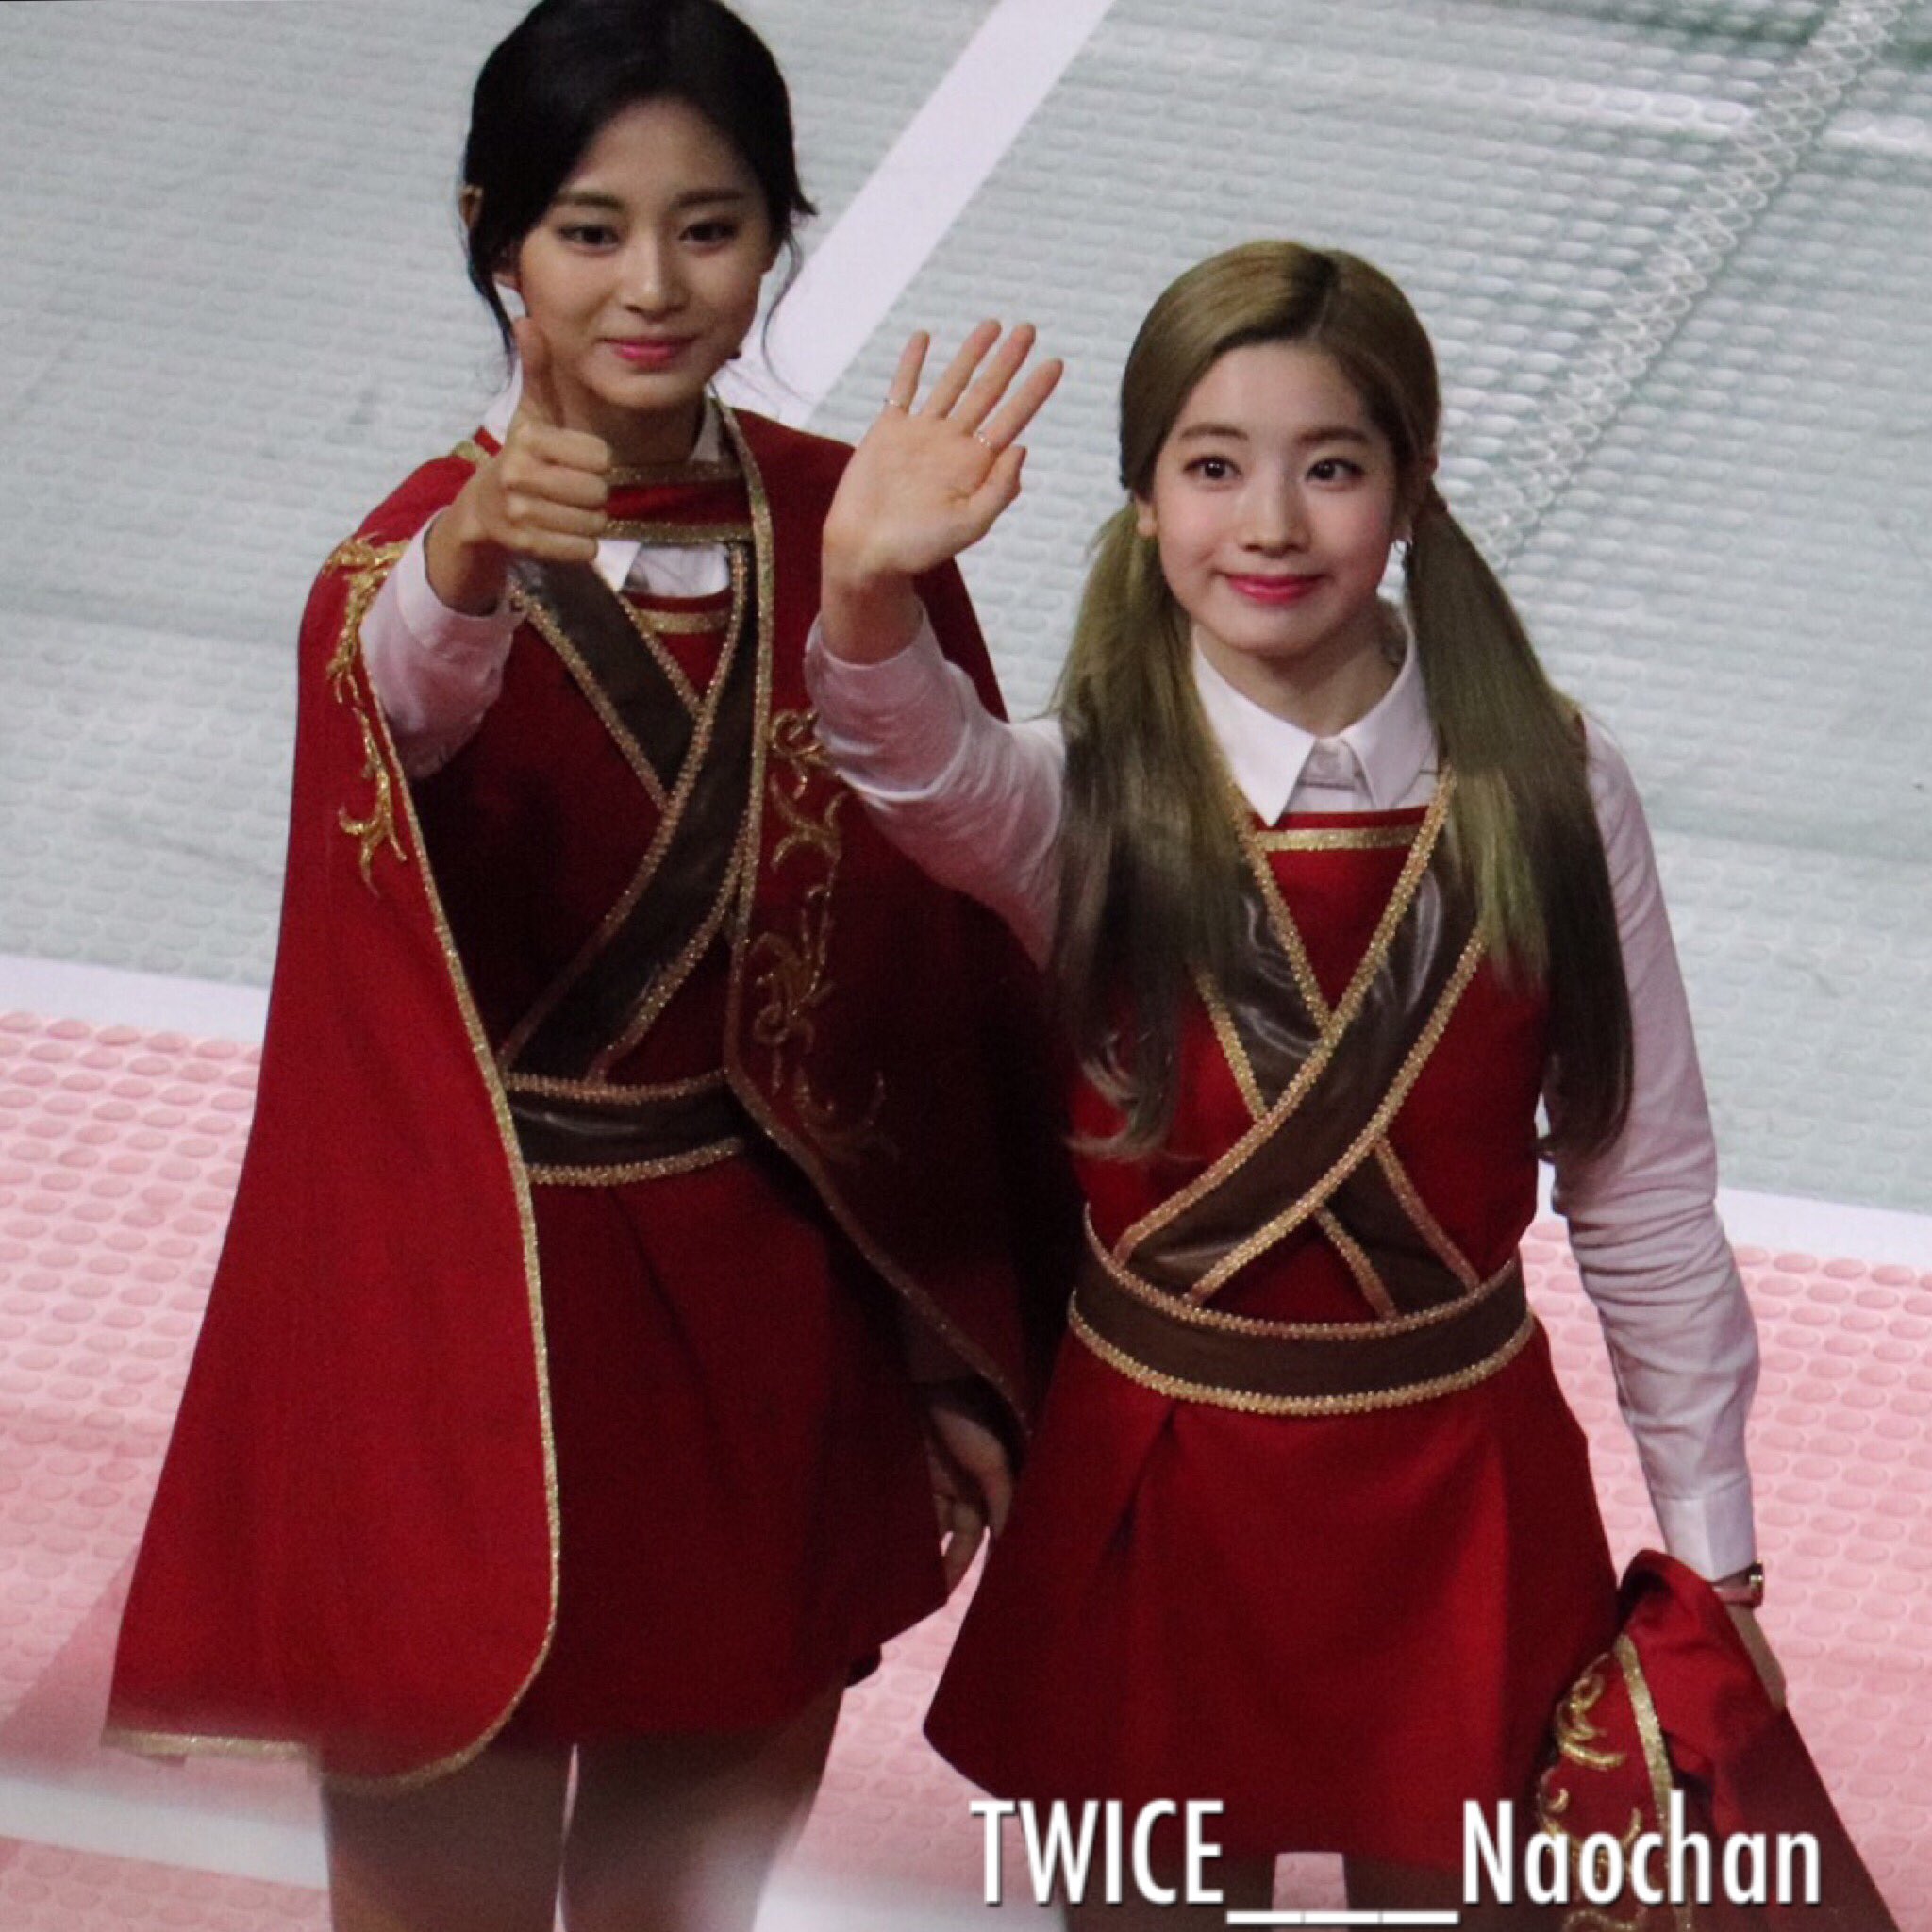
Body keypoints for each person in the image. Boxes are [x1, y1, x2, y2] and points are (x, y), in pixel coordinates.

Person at [105, 4, 1064, 1928]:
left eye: (711, 228)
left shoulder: (849, 531)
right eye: (589, 229)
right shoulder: (403, 575)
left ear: (777, 236)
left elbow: (944, 985)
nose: (653, 286)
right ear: (494, 237)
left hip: (772, 1334)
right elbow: (406, 704)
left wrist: (950, 1349)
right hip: (467, 1334)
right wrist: (469, 559)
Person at [807, 243, 1774, 1924]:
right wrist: (864, 598)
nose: (1269, 524)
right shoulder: (1075, 795)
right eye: (1212, 467)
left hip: (1468, 1495)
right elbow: (916, 766)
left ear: (1411, 484)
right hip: (1155, 1494)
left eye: (1330, 467)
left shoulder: (1553, 786)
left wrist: (1716, 1550)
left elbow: (1643, 1187)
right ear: (1141, 500)